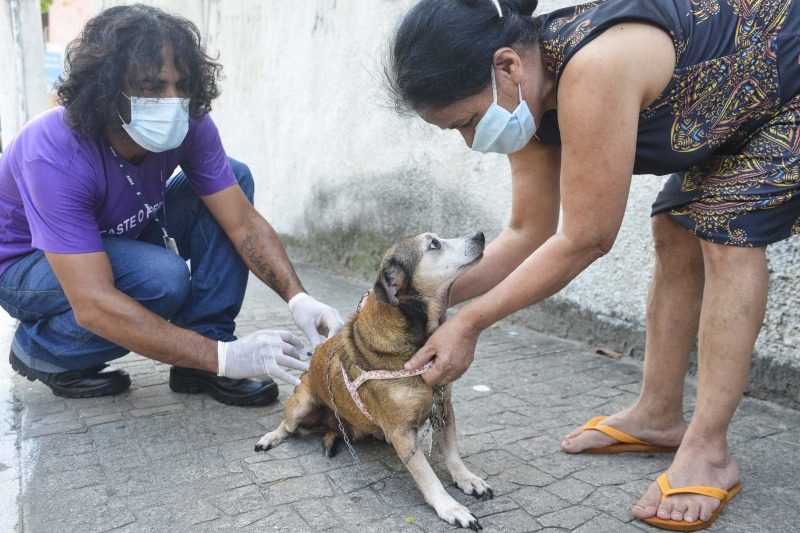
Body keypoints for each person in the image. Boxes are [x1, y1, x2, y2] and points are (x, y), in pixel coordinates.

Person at [388, 0, 800, 530]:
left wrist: (468, 323)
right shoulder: (523, 96)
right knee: (674, 229)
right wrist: (416, 303)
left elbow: (586, 238)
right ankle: (659, 413)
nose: (472, 140)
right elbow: (526, 234)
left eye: (467, 121)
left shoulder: (594, 66)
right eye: (456, 131)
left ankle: (710, 450)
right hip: (733, 109)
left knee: (727, 234)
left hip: (786, 83)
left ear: (507, 65)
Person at [0, 4, 342, 406]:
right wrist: (227, 359)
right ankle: (47, 349)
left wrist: (298, 298)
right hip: (27, 265)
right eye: (152, 86)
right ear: (106, 87)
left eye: (181, 85)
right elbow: (93, 303)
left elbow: (242, 223)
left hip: (116, 235)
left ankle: (204, 350)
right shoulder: (52, 152)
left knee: (236, 176)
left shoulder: (188, 122)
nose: (173, 100)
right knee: (161, 279)